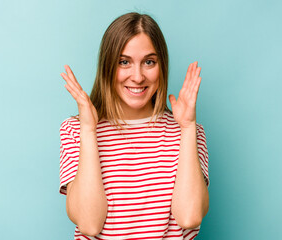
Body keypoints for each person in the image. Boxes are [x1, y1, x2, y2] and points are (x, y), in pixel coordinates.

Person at [59, 12, 209, 240]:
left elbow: (189, 217)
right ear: (108, 66)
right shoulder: (75, 131)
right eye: (124, 62)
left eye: (149, 62)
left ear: (161, 66)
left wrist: (187, 128)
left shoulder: (190, 132)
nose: (137, 77)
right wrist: (89, 132)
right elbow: (89, 224)